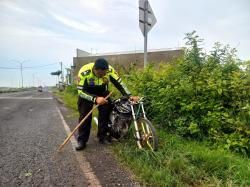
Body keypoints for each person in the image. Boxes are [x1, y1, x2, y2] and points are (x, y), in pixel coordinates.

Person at [76, 58, 139, 151]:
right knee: (85, 115)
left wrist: (129, 95)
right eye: (99, 75)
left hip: (102, 92)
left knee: (106, 112)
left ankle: (103, 136)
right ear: (94, 70)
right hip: (87, 93)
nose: (102, 76)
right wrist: (95, 99)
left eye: (104, 74)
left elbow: (120, 84)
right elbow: (81, 92)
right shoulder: (84, 72)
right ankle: (82, 140)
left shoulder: (110, 70)